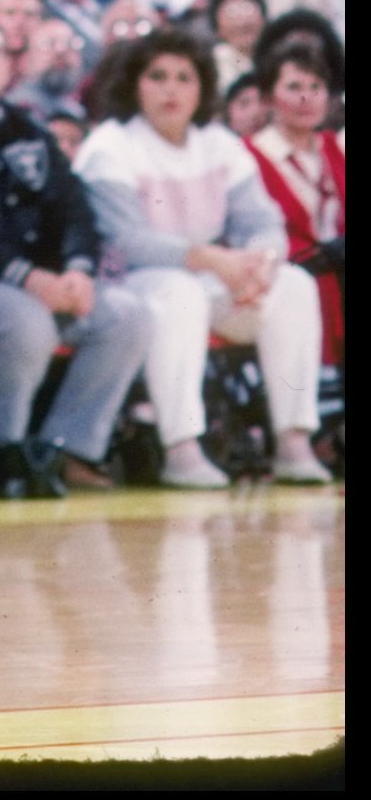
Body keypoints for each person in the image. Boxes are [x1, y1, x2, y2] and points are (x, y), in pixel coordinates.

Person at [75, 25, 330, 487]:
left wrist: (262, 265)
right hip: (133, 283)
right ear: (136, 84)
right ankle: (182, 448)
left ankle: (294, 442)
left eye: (184, 77)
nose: (171, 89)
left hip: (218, 279)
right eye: (157, 76)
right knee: (179, 293)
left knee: (293, 285)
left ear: (202, 87)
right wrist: (213, 260)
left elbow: (262, 222)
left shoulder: (218, 144)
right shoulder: (110, 145)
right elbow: (126, 241)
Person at [0, 8, 151, 496]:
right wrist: (28, 278)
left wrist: (77, 271)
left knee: (126, 314)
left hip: (42, 284)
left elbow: (72, 209)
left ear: (11, 64)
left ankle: (64, 449)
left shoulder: (28, 132)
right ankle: (0, 453)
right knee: (27, 321)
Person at [247, 36, 345, 371]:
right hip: (288, 268)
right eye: (293, 87)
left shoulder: (335, 148)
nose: (306, 98)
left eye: (316, 87)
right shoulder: (249, 154)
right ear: (268, 98)